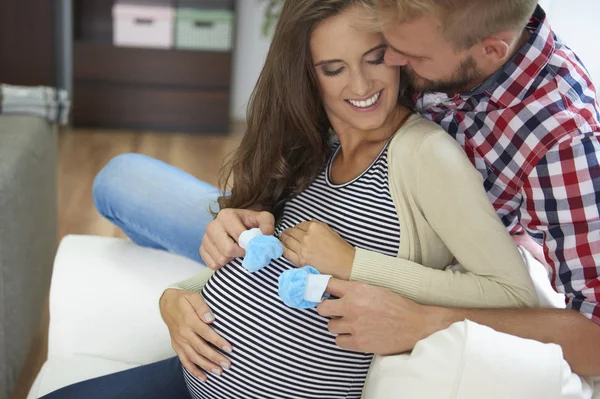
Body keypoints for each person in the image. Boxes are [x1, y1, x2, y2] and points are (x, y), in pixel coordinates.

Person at [40, 0, 541, 398]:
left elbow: (511, 293)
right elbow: (261, 265)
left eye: (374, 59)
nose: (362, 85)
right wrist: (173, 298)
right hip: (189, 376)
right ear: (307, 74)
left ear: (397, 57)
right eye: (333, 68)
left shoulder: (426, 155)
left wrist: (352, 263)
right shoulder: (312, 148)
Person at [314, 0, 600, 397]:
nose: (392, 61)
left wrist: (425, 323)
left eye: (411, 56)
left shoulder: (562, 142)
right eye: (386, 47)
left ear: (490, 50)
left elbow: (596, 340)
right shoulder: (431, 33)